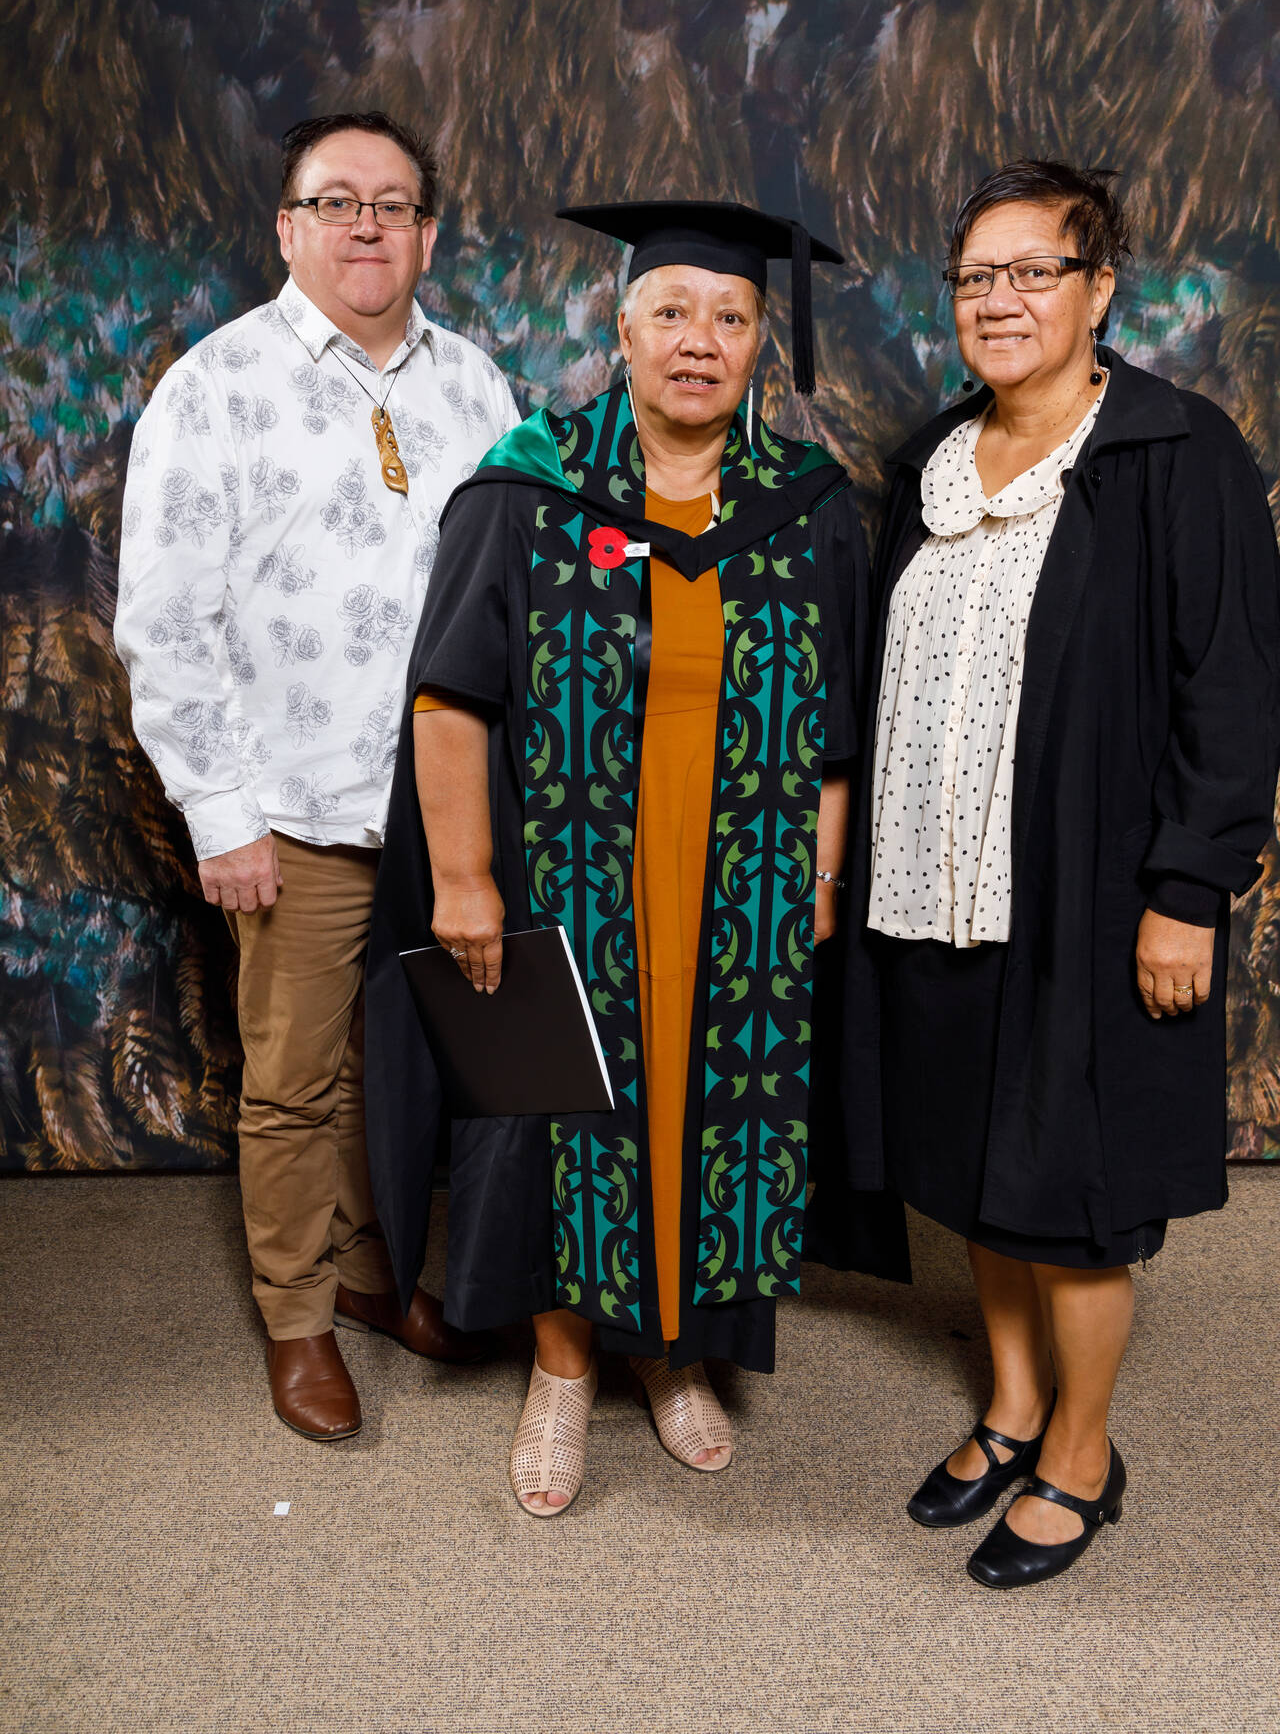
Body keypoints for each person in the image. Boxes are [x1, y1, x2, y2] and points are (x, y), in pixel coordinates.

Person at [364, 199, 896, 1515]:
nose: (698, 341)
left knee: (718, 1117)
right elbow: (450, 698)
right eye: (671, 313)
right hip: (570, 885)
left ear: (761, 342)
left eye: (731, 317)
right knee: (558, 1116)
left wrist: (823, 882)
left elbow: (838, 728)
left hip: (742, 893)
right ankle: (560, 1368)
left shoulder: (805, 508)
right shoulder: (530, 489)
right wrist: (465, 880)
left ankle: (673, 1356)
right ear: (621, 329)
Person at [840, 158, 1280, 1587]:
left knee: (1075, 1192)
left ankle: (1083, 1458)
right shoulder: (931, 458)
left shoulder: (1177, 452)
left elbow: (1232, 690)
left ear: (1101, 290)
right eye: (976, 277)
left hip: (1089, 896)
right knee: (981, 1171)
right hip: (932, 886)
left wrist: (1187, 891)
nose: (999, 301)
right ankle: (1014, 1407)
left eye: (1034, 271)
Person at [114, 111, 521, 1440]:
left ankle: (368, 1272)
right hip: (292, 808)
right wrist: (220, 815)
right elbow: (164, 622)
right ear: (288, 228)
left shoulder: (478, 386)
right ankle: (297, 1317)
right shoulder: (215, 386)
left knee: (405, 1064)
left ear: (428, 236)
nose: (366, 225)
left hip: (446, 813)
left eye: (393, 204)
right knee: (294, 1079)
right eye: (337, 201)